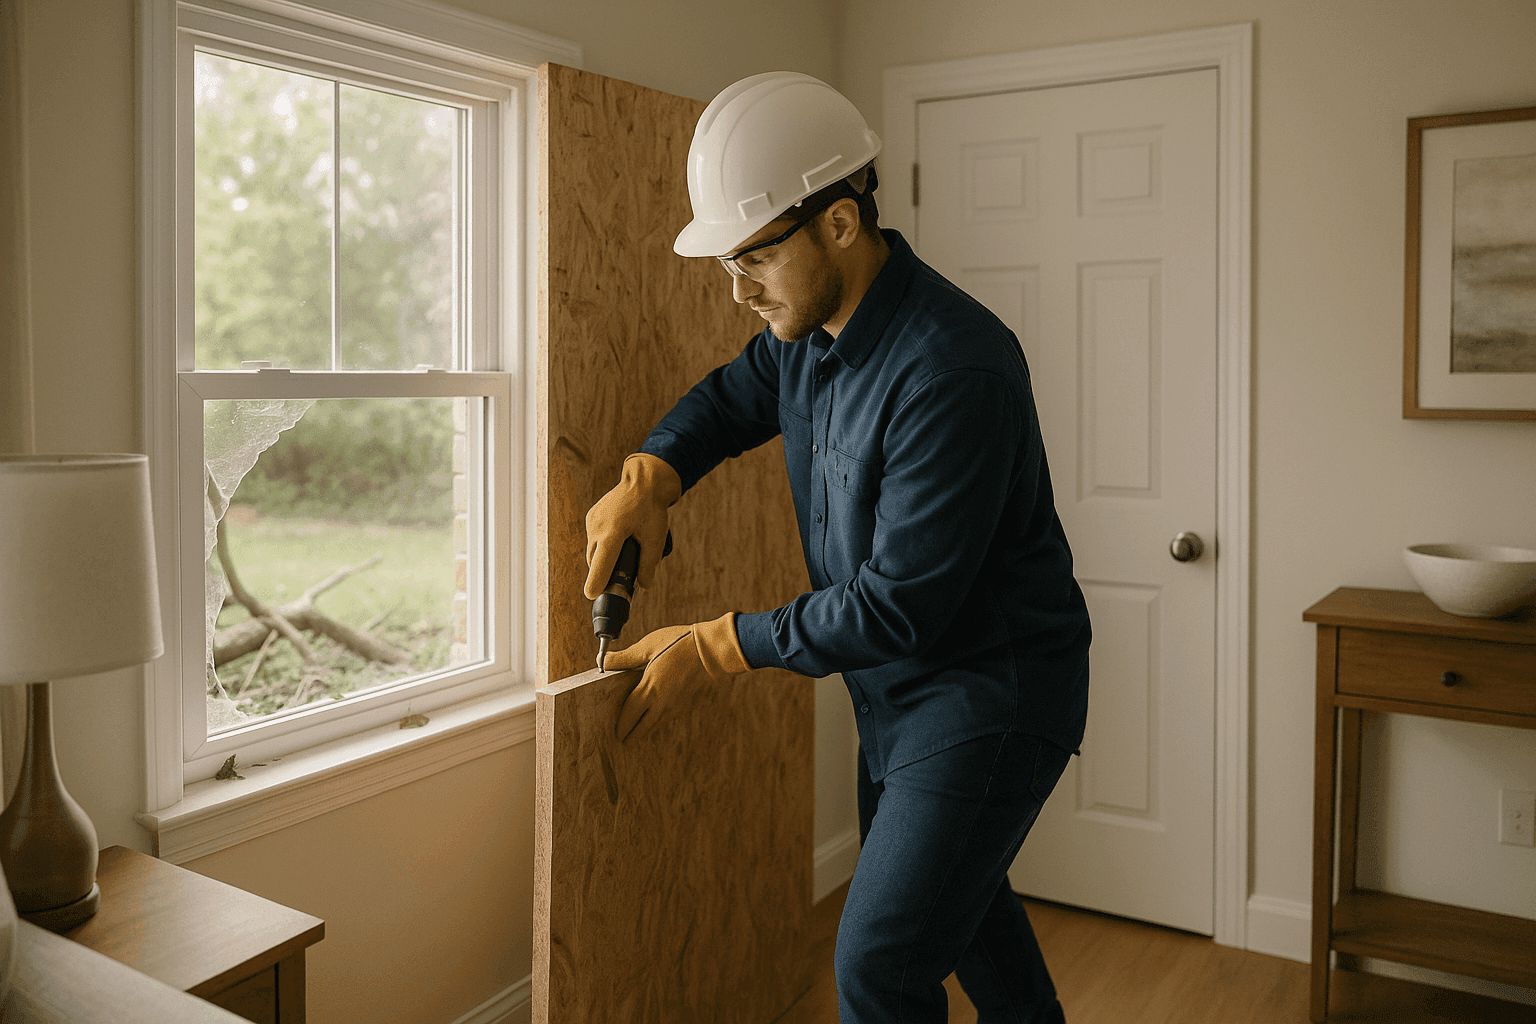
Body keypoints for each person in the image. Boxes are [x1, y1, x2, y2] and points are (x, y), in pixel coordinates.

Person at [583, 71, 1091, 1024]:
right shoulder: (806, 332)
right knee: (962, 914)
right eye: (729, 263)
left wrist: (716, 646)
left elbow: (901, 601)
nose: (740, 292)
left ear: (843, 225)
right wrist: (651, 474)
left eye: (757, 260)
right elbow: (729, 401)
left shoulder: (953, 368)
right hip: (897, 695)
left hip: (990, 695)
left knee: (878, 964)